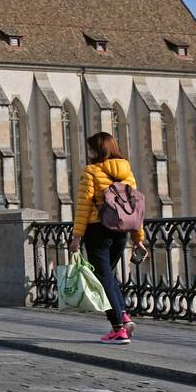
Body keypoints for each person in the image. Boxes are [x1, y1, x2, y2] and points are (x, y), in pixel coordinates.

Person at [71, 132, 144, 345]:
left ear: (97, 150)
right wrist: (138, 237)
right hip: (121, 232)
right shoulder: (126, 171)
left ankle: (118, 327)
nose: (89, 152)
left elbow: (84, 207)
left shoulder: (91, 171)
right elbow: (134, 207)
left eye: (91, 148)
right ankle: (124, 315)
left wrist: (77, 237)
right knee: (107, 276)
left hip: (98, 230)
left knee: (102, 279)